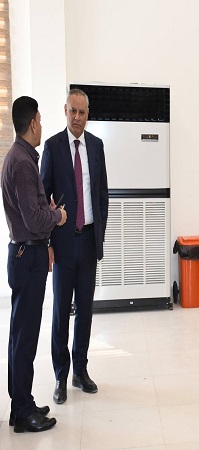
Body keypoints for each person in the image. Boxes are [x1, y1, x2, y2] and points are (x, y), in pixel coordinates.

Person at [2, 96, 67, 432]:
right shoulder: (24, 163)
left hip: (25, 254)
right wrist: (58, 216)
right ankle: (24, 413)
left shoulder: (18, 157)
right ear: (31, 123)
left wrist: (46, 214)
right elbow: (34, 218)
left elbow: (29, 213)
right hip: (28, 258)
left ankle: (21, 404)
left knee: (20, 335)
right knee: (25, 337)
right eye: (40, 120)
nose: (42, 125)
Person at [40, 89, 109, 405]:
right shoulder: (53, 147)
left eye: (82, 112)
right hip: (63, 243)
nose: (77, 117)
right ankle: (60, 375)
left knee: (85, 310)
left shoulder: (96, 146)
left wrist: (99, 235)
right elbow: (42, 199)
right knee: (60, 313)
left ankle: (80, 371)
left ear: (87, 113)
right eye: (73, 111)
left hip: (89, 241)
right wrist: (47, 242)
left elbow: (102, 195)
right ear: (65, 111)